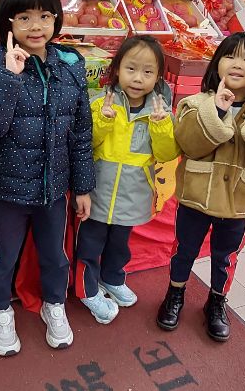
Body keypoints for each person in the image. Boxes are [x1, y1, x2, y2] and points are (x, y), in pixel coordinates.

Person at [0, 0, 94, 356]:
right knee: (3, 258)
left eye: (44, 16)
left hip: (55, 188)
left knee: (55, 255)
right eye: (24, 17)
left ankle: (54, 305)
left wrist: (82, 186)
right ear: (8, 21)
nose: (36, 26)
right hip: (6, 188)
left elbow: (81, 131)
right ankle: (1, 311)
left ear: (56, 18)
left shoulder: (70, 66)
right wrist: (10, 77)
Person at [157, 32, 245, 342]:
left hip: (239, 202)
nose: (237, 64)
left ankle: (217, 302)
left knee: (226, 256)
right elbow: (189, 145)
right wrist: (218, 112)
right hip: (196, 197)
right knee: (184, 250)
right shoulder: (196, 104)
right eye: (230, 56)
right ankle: (175, 294)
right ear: (217, 63)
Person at [75, 35, 180, 324]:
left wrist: (161, 127)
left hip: (133, 193)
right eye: (131, 69)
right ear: (117, 69)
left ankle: (112, 278)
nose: (138, 78)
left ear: (158, 77)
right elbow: (86, 144)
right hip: (98, 191)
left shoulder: (160, 111)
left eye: (148, 72)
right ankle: (88, 289)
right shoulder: (100, 103)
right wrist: (104, 120)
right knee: (89, 245)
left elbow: (167, 153)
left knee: (120, 243)